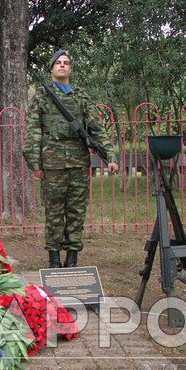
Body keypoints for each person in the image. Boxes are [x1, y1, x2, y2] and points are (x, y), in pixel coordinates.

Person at [23, 50, 118, 269]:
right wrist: (35, 165)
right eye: (58, 63)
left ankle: (72, 257)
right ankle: (55, 258)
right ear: (52, 68)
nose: (62, 66)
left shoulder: (81, 97)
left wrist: (110, 157)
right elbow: (33, 131)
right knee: (54, 211)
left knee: (76, 211)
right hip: (52, 163)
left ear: (70, 68)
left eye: (66, 63)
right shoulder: (41, 96)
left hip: (78, 163)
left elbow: (97, 128)